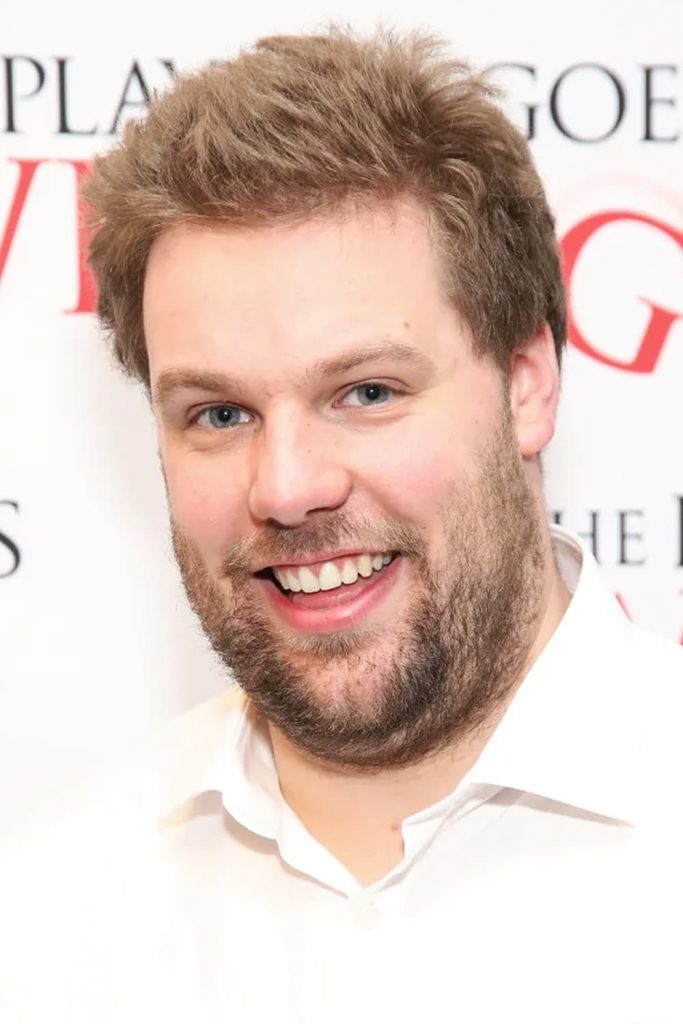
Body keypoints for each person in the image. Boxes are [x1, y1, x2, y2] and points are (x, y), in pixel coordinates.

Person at [3, 27, 682, 1024]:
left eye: (365, 392)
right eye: (219, 414)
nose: (286, 488)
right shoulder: (44, 910)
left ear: (526, 385)